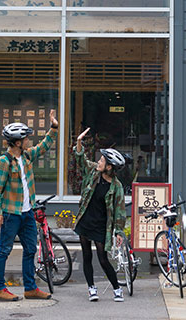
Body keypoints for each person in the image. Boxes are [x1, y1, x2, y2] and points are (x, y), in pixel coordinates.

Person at [0, 109, 58, 302]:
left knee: (30, 250)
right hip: (11, 214)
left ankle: (30, 288)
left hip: (27, 213)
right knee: (4, 250)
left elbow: (44, 146)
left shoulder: (26, 157)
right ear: (17, 142)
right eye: (26, 139)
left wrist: (53, 127)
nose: (29, 141)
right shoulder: (4, 162)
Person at [73, 127, 127, 302]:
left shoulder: (116, 186)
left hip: (101, 226)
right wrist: (79, 142)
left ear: (109, 167)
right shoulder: (94, 173)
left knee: (103, 259)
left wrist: (118, 231)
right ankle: (91, 289)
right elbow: (81, 160)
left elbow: (120, 211)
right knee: (86, 255)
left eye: (103, 160)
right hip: (86, 220)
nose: (99, 161)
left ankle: (117, 289)